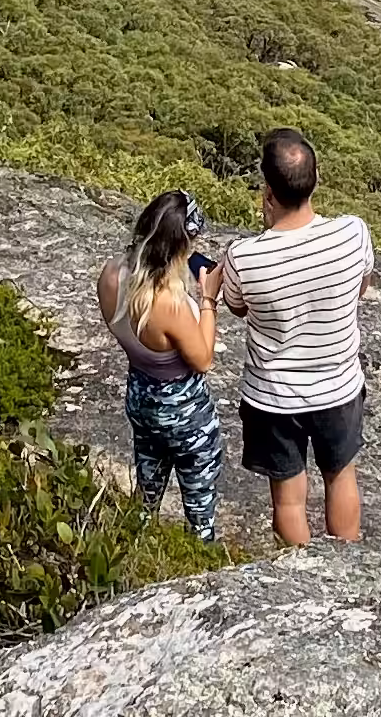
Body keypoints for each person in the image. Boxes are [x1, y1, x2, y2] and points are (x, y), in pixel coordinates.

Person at [219, 126, 373, 545]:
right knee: (341, 475)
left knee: (288, 499)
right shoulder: (353, 233)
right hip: (339, 385)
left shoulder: (245, 256)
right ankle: (348, 558)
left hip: (273, 396)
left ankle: (300, 574)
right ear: (316, 180)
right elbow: (360, 287)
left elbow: (237, 306)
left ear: (267, 192)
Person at [94, 188, 225, 541]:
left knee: (147, 491)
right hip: (183, 413)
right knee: (199, 503)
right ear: (181, 245)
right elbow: (203, 359)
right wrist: (208, 300)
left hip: (140, 395)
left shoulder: (110, 275)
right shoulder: (167, 303)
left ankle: (134, 548)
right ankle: (200, 556)